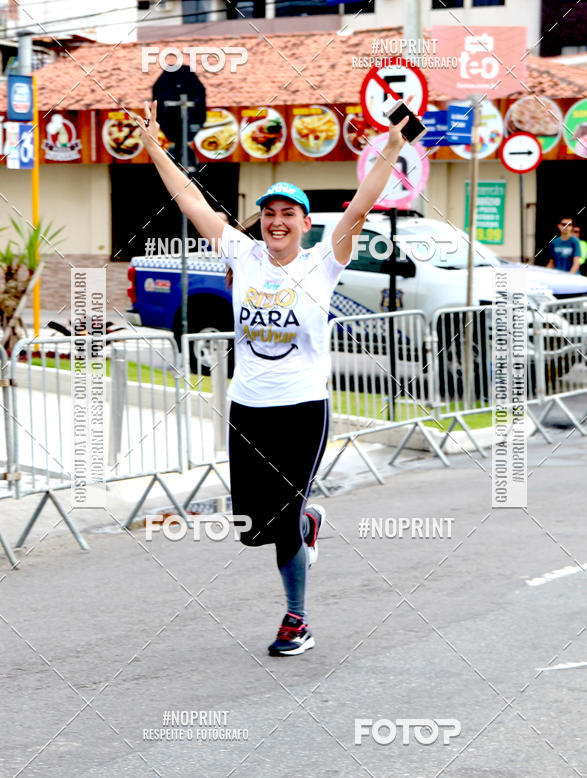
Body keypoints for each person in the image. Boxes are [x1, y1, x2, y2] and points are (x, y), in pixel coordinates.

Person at [137, 100, 408, 656]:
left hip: (303, 407)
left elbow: (361, 204)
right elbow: (190, 199)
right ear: (260, 220)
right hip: (248, 407)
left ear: (306, 224)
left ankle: (296, 620)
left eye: (289, 213)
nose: (277, 221)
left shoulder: (322, 262)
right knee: (254, 528)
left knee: (280, 522)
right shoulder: (243, 255)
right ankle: (307, 522)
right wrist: (154, 149)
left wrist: (392, 148)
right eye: (269, 213)